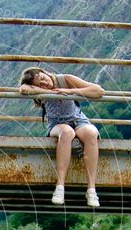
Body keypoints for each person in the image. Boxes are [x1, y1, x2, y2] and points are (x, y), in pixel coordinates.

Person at [19, 67, 104, 208]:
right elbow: (23, 89)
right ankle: (60, 187)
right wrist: (50, 93)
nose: (44, 83)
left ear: (45, 72)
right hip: (57, 124)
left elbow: (98, 91)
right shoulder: (37, 89)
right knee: (67, 133)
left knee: (91, 134)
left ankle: (91, 190)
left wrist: (70, 92)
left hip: (78, 120)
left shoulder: (65, 79)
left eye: (43, 79)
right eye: (40, 84)